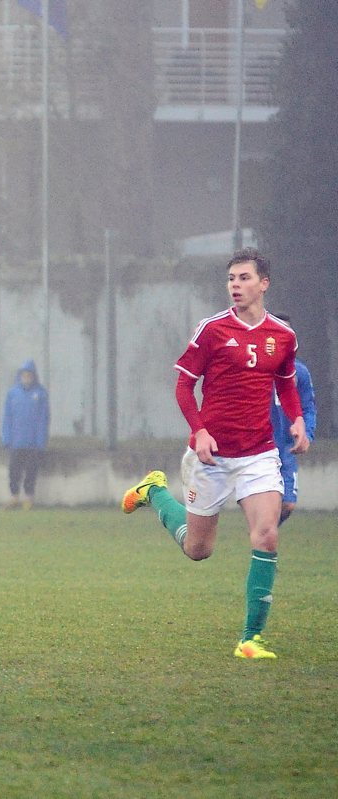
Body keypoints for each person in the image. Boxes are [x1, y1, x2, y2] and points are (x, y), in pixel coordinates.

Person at [122, 249, 308, 660]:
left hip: (259, 454)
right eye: (231, 279)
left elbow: (286, 383)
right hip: (211, 457)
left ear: (264, 283)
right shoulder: (212, 330)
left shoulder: (283, 335)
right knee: (198, 550)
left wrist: (295, 420)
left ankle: (250, 639)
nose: (235, 285)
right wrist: (200, 431)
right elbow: (183, 387)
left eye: (244, 278)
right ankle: (155, 492)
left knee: (267, 534)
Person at [268, 316, 316, 524]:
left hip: (286, 450)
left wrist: (307, 435)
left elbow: (308, 407)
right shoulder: (258, 368)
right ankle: (262, 538)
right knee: (265, 504)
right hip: (261, 449)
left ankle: (262, 535)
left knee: (288, 505)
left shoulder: (300, 372)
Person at [1, 359, 49, 510]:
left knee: (31, 471)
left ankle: (28, 498)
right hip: (17, 441)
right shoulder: (13, 393)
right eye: (24, 375)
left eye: (29, 376)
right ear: (20, 376)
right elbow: (7, 417)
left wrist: (41, 439)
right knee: (14, 470)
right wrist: (6, 437)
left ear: (34, 377)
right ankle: (14, 497)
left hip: (33, 442)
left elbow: (44, 418)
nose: (26, 378)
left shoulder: (40, 394)